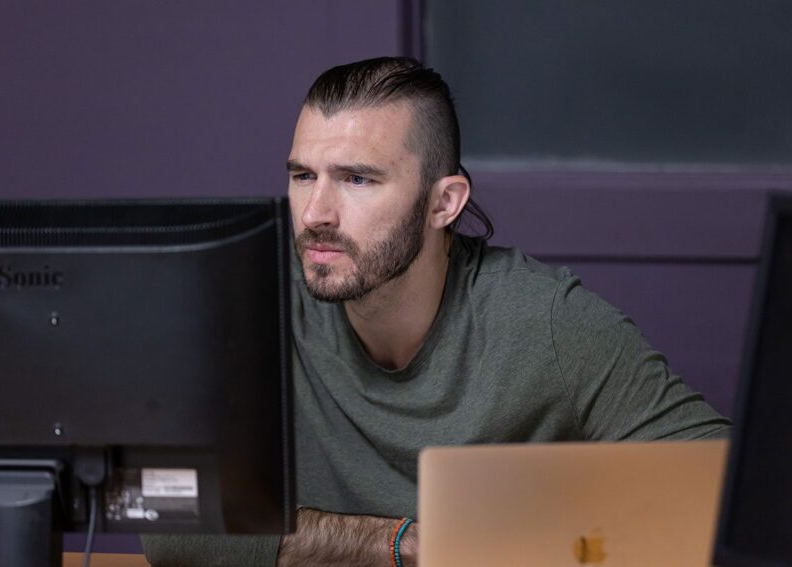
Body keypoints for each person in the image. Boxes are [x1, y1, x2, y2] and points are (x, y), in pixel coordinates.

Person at [143, 56, 730, 567]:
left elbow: (726, 491)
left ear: (443, 202)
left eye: (357, 179)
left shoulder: (545, 321)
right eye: (303, 176)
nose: (315, 212)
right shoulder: (256, 301)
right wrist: (408, 546)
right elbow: (169, 524)